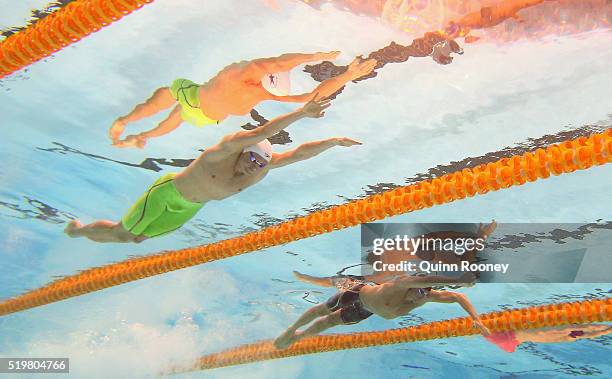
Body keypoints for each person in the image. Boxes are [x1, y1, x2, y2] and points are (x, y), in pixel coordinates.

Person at [65, 97, 361, 243]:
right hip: (168, 193)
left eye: (260, 163)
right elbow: (259, 133)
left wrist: (333, 141)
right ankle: (78, 231)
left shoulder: (262, 168)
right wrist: (300, 113)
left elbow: (299, 154)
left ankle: (94, 232)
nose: (254, 167)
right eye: (252, 159)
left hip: (189, 208)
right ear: (243, 151)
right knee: (121, 234)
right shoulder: (221, 154)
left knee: (137, 239)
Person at [109, 51, 377, 148]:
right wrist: (344, 75)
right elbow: (307, 93)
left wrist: (341, 71)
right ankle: (134, 128)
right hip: (201, 111)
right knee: (171, 115)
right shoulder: (257, 86)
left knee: (167, 109)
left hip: (197, 107)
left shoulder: (250, 80)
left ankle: (133, 128)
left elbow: (291, 77)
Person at [274, 272, 491, 349]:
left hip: (367, 310)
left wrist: (476, 319)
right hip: (358, 292)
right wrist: (457, 280)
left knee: (327, 323)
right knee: (322, 309)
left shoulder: (426, 296)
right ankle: (291, 328)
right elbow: (426, 280)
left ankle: (298, 337)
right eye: (418, 290)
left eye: (425, 292)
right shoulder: (400, 285)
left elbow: (456, 297)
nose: (420, 295)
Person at [294, 220, 498, 288]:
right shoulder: (386, 270)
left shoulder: (391, 263)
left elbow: (339, 281)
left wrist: (476, 235)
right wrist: (476, 235)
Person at [484, 323, 611, 353]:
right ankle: (607, 328)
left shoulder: (510, 345)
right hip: (548, 333)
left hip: (561, 338)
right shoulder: (504, 340)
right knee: (586, 328)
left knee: (586, 333)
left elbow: (510, 349)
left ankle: (609, 329)